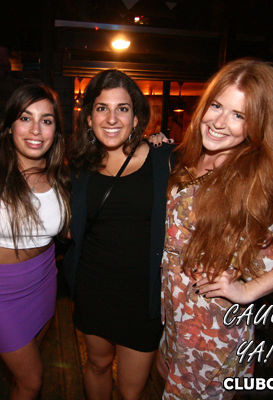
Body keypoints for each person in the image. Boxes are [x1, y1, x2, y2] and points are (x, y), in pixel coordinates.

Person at [158, 58, 273, 399]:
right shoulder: (194, 156)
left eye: (239, 115)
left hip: (211, 326)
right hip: (176, 312)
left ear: (258, 124)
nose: (219, 123)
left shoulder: (257, 178)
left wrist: (248, 292)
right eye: (217, 106)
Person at [65, 69, 175, 400]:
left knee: (130, 390)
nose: (112, 118)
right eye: (102, 108)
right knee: (97, 364)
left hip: (144, 295)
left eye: (122, 109)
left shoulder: (165, 159)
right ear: (88, 117)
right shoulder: (78, 166)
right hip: (93, 288)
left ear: (136, 117)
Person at [0, 84, 70, 400]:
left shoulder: (62, 176)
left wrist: (149, 146)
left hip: (44, 279)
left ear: (56, 130)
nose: (36, 130)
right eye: (25, 118)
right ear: (9, 126)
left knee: (28, 370)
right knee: (32, 380)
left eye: (46, 120)